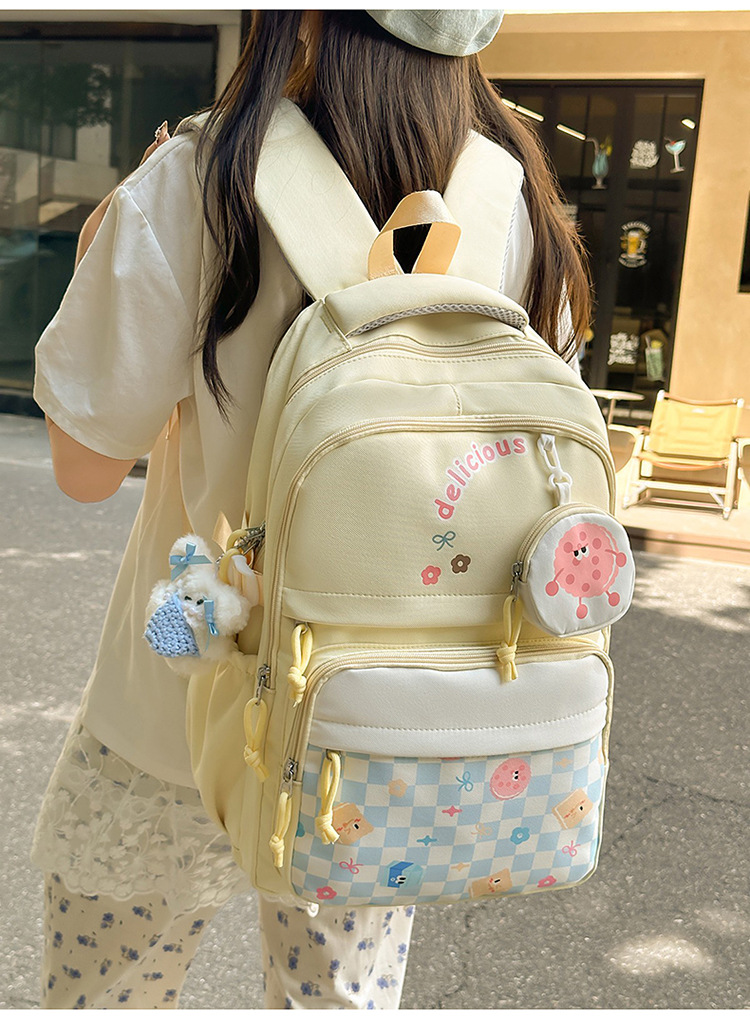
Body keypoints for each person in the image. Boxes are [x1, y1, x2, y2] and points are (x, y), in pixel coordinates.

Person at [31, 10, 591, 1009]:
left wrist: (108, 244)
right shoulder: (516, 202)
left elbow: (83, 465)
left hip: (175, 705)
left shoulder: (200, 178)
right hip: (377, 731)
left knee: (107, 992)